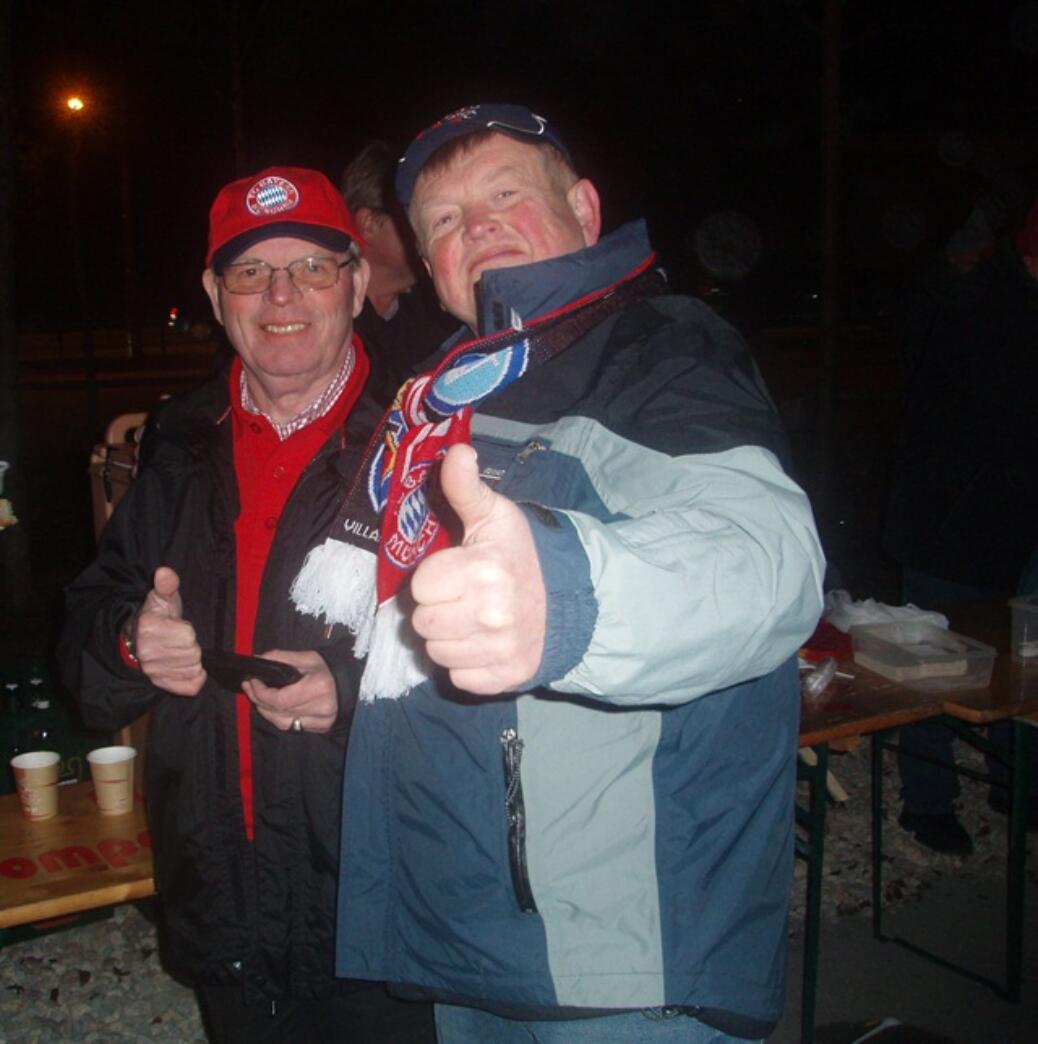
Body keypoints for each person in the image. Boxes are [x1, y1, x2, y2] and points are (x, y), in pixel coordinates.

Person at [292, 105, 825, 1042]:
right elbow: (431, 627)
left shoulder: (657, 346)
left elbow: (767, 560)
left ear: (583, 207)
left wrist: (570, 601)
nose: (477, 226)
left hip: (620, 954)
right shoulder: (446, 391)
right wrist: (340, 681)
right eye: (446, 220)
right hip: (467, 932)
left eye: (506, 196)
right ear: (430, 264)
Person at [59, 167, 435, 1043]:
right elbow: (85, 641)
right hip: (221, 898)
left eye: (309, 266)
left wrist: (347, 688)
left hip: (379, 909)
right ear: (212, 293)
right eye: (251, 271)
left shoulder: (423, 436)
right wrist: (129, 641)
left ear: (356, 278)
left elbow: (496, 673)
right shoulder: (181, 441)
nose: (281, 295)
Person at [884, 190, 1038, 856]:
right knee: (932, 659)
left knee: (1023, 660)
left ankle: (1017, 784)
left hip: (1019, 517)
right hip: (948, 515)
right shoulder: (972, 294)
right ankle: (927, 801)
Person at [341, 140, 455, 404]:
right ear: (368, 224)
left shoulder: (442, 319)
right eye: (411, 219)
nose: (428, 232)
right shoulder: (320, 322)